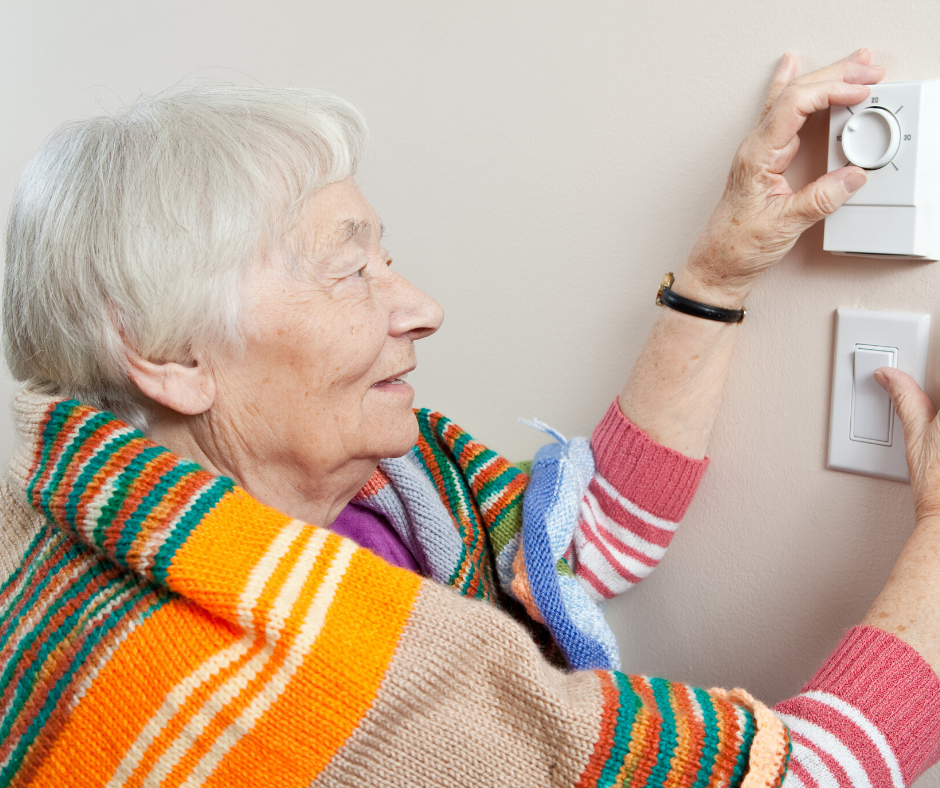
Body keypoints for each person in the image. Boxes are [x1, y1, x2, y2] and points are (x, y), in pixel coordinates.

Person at [0, 48, 937, 788]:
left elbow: (582, 543)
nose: (422, 308)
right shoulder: (291, 695)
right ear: (169, 356)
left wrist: (717, 276)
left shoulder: (372, 500)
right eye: (349, 269)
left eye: (388, 258)